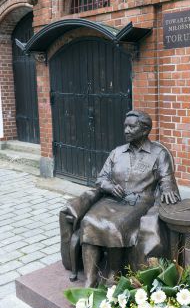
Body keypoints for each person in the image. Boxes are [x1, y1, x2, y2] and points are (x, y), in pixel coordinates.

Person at [60, 110, 180, 287]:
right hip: (111, 200)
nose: (126, 130)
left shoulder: (158, 154)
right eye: (125, 126)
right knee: (88, 221)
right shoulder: (117, 152)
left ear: (145, 129)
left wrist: (169, 188)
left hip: (139, 202)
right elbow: (101, 178)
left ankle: (113, 273)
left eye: (132, 126)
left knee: (114, 226)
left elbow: (166, 179)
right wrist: (109, 186)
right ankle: (91, 279)